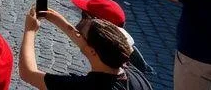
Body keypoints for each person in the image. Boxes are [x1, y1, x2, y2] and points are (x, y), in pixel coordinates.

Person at [17, 5, 150, 90]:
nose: (77, 35)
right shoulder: (134, 72)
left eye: (82, 35)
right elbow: (85, 42)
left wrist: (30, 31)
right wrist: (54, 17)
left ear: (92, 51)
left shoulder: (85, 86)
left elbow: (28, 73)